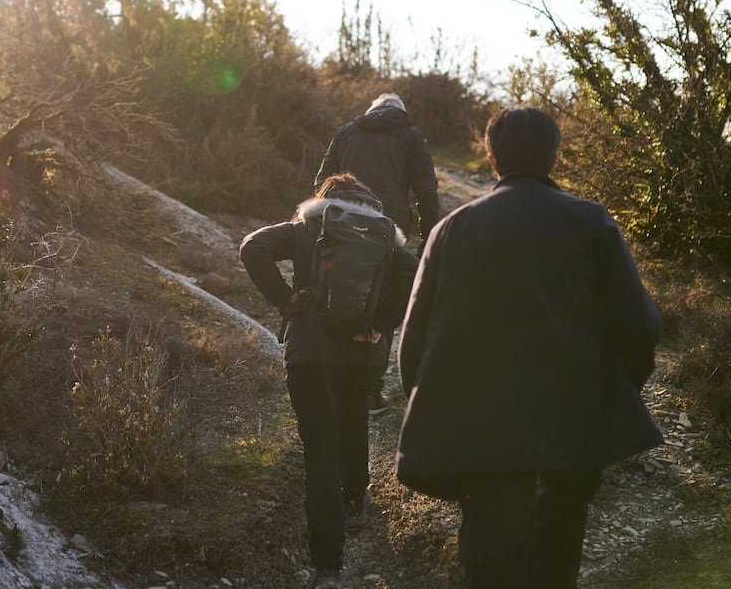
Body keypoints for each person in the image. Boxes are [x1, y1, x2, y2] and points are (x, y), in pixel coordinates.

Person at [395, 107, 663, 589]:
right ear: (554, 158)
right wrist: (607, 395)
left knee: (491, 564)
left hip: (483, 431)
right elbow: (639, 326)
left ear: (491, 157)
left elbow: (412, 341)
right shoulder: (590, 221)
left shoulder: (451, 229)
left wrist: (433, 408)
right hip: (571, 426)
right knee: (556, 560)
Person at [240, 174, 419, 589]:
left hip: (309, 356)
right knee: (354, 419)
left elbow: (253, 245)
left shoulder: (309, 226)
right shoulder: (386, 240)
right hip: (362, 356)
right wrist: (381, 322)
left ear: (325, 200)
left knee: (320, 452)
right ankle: (355, 500)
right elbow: (417, 277)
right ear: (372, 206)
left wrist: (285, 298)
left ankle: (327, 568)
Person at [314, 92, 440, 414]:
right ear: (400, 112)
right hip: (387, 229)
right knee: (380, 302)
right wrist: (429, 240)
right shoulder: (411, 135)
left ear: (372, 111)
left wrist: (319, 221)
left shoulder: (347, 131)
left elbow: (321, 181)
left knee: (336, 292)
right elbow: (426, 191)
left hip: (338, 224)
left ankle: (330, 381)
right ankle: (369, 391)